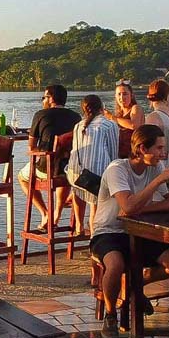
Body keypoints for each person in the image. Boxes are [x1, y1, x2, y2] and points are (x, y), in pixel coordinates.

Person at [90, 124, 169, 338]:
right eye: (159, 148)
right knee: (115, 264)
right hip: (109, 231)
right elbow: (128, 205)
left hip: (140, 231)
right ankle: (111, 315)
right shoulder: (117, 169)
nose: (163, 153)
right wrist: (157, 182)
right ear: (142, 149)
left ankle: (136, 287)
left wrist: (140, 208)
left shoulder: (156, 167)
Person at [17, 84, 82, 226]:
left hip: (47, 169)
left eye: (44, 97)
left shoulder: (41, 115)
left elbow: (31, 147)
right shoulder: (76, 117)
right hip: (70, 169)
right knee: (63, 170)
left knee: (22, 177)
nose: (43, 100)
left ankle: (45, 213)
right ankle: (56, 214)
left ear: (51, 98)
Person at [67, 94, 119, 237]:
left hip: (74, 175)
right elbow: (113, 155)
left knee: (79, 186)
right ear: (102, 107)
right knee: (99, 187)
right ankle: (94, 234)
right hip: (94, 179)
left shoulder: (78, 126)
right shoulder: (109, 125)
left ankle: (79, 225)